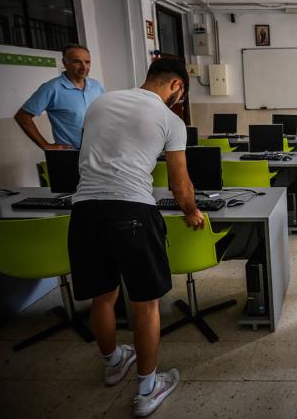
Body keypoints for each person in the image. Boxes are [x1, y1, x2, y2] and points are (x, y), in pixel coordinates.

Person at [67, 58, 201, 417]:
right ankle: (147, 388)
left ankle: (113, 363)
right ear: (176, 85)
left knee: (103, 296)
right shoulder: (171, 120)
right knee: (145, 304)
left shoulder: (100, 102)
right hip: (132, 211)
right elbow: (179, 183)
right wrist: (190, 210)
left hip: (85, 211)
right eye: (182, 93)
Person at [14, 44, 105, 149]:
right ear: (64, 62)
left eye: (87, 62)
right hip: (72, 155)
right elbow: (22, 117)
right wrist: (45, 145)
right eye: (77, 61)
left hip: (98, 150)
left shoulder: (96, 86)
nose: (84, 67)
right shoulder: (52, 88)